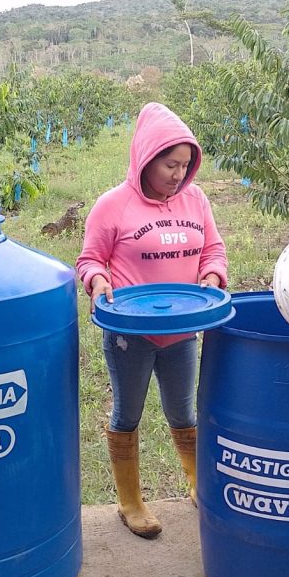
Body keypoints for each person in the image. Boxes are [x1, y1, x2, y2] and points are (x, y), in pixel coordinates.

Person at [77, 102, 228, 539]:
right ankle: (129, 501)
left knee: (183, 411)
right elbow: (90, 259)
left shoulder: (196, 199)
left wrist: (212, 275)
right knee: (129, 412)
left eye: (185, 165)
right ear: (146, 157)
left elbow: (212, 250)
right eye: (169, 164)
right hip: (131, 332)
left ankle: (199, 484)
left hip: (182, 330)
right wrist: (98, 280)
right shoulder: (113, 206)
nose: (178, 175)